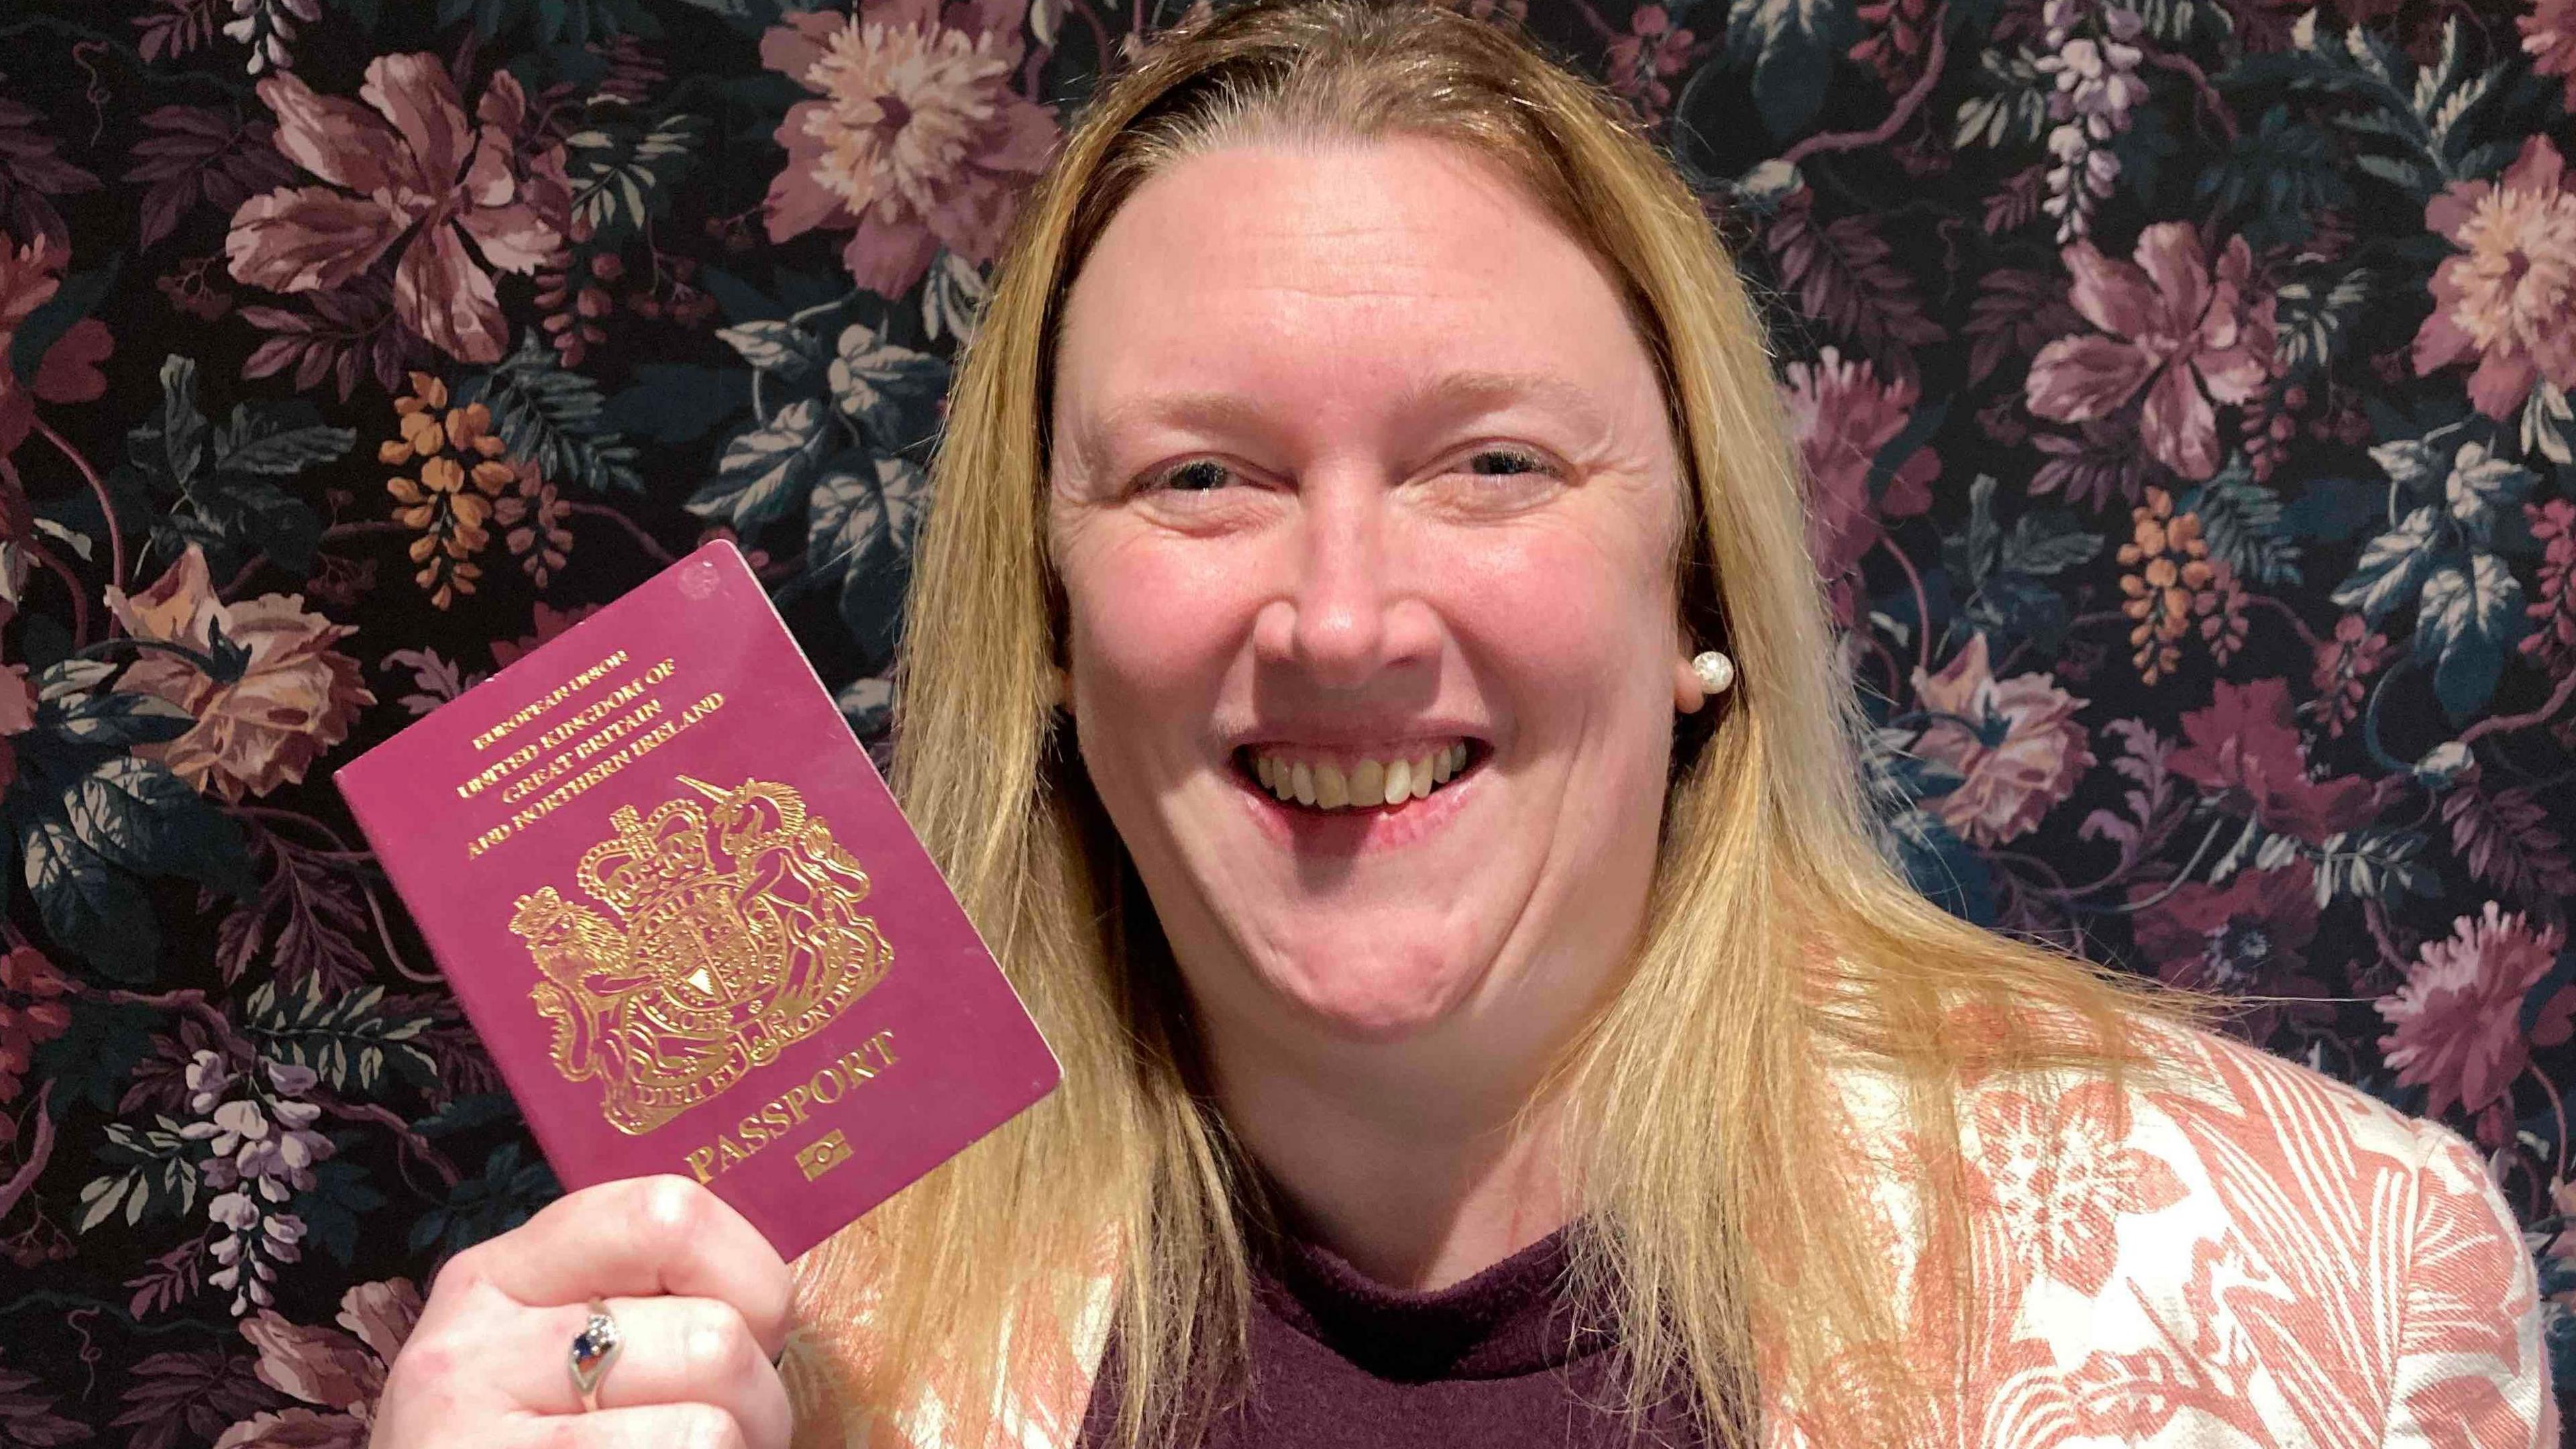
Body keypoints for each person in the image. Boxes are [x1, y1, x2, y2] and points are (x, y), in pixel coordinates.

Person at [364, 2, 2553, 1446]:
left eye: (1492, 465)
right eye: (1197, 477)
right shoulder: (761, 1344)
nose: (1339, 617)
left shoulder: (2326, 1286)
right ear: (1047, 619)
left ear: (1693, 593)